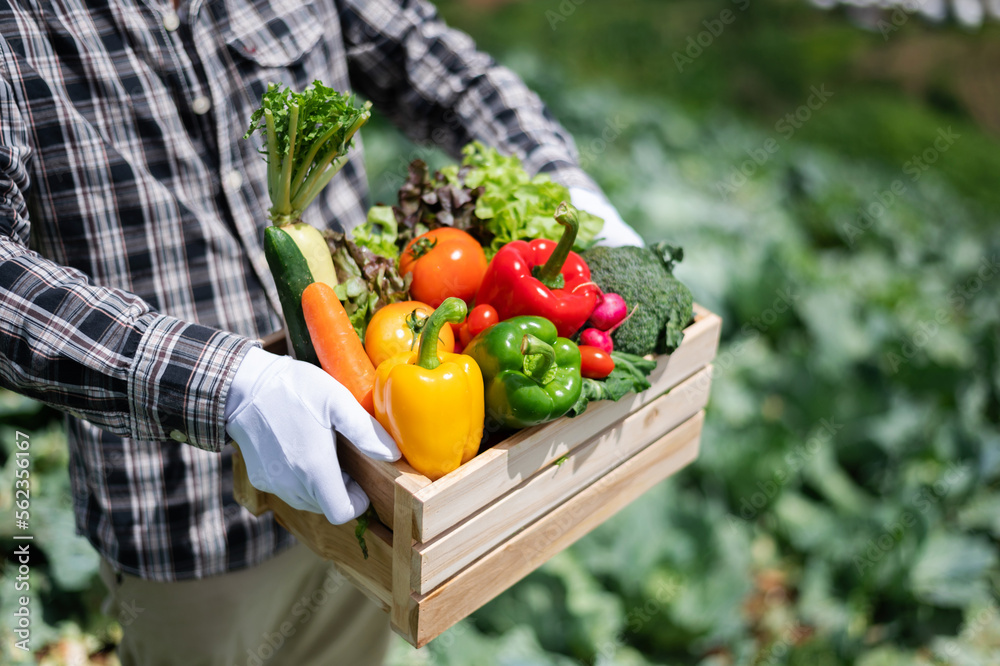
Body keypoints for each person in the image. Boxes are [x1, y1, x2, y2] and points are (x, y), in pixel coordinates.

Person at [0, 0, 643, 663]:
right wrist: (230, 385)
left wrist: (560, 177)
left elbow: (419, 50)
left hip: (379, 481)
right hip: (186, 518)